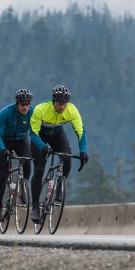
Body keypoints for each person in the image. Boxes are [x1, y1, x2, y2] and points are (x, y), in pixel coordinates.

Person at [29, 84, 89, 223]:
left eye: (64, 104)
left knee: (67, 158)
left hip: (57, 134)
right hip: (40, 136)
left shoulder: (72, 110)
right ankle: (35, 208)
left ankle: (60, 184)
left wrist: (83, 151)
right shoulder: (41, 109)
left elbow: (81, 132)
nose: (62, 107)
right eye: (59, 104)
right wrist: (42, 147)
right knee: (39, 169)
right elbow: (33, 133)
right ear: (53, 101)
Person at [0, 89, 34, 222]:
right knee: (4, 173)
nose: (25, 107)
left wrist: (40, 147)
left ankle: (22, 187)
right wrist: (2, 149)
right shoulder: (6, 113)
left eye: (27, 104)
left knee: (27, 161)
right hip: (5, 141)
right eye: (22, 104)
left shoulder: (32, 113)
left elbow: (36, 132)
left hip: (21, 140)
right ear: (17, 104)